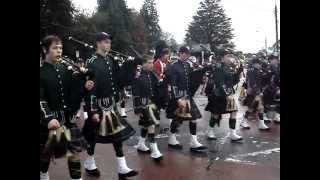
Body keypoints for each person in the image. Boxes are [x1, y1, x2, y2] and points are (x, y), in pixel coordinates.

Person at [82, 32, 138, 178]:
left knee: (117, 137)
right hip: (98, 106)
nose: (108, 44)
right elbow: (90, 88)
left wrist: (129, 66)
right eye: (105, 42)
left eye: (109, 42)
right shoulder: (91, 61)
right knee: (93, 137)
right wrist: (92, 110)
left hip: (111, 105)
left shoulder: (111, 60)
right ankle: (89, 163)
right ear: (98, 43)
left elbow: (119, 81)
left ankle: (122, 167)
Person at [40, 35, 91, 180]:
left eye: (60, 48)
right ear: (45, 50)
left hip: (67, 120)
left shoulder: (65, 69)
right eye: (55, 48)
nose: (59, 51)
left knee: (74, 152)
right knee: (45, 155)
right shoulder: (41, 72)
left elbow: (72, 92)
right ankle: (43, 175)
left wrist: (84, 84)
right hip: (49, 123)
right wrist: (48, 118)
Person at [166, 46, 207, 152]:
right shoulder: (174, 66)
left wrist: (200, 71)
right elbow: (173, 84)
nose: (188, 56)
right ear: (181, 53)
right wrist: (178, 98)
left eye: (188, 54)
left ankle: (193, 142)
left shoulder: (188, 65)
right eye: (186, 54)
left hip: (187, 96)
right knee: (177, 119)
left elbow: (191, 79)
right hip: (179, 96)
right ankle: (172, 139)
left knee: (193, 118)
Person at [204, 53, 244, 141]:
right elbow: (220, 83)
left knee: (234, 112)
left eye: (231, 56)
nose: (231, 58)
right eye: (228, 56)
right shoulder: (219, 68)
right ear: (222, 59)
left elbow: (232, 82)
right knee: (215, 115)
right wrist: (227, 94)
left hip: (229, 94)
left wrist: (238, 72)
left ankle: (233, 133)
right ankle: (210, 131)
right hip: (219, 95)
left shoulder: (229, 68)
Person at [132, 54, 164, 161]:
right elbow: (135, 93)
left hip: (151, 104)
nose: (151, 64)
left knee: (146, 126)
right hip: (143, 105)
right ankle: (155, 151)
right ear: (143, 64)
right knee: (151, 126)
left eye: (152, 62)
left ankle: (141, 144)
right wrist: (137, 108)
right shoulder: (138, 76)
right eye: (149, 62)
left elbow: (156, 87)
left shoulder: (151, 74)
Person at [240, 58, 270, 130]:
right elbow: (253, 83)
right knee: (251, 108)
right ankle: (244, 121)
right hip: (253, 93)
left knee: (260, 108)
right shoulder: (252, 71)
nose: (260, 65)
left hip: (256, 92)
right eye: (259, 64)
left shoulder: (258, 70)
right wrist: (258, 92)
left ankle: (261, 124)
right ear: (255, 64)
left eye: (260, 64)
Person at [262, 54, 280, 123]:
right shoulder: (269, 67)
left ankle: (276, 116)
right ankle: (265, 116)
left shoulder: (276, 67)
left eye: (277, 59)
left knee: (275, 102)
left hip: (274, 88)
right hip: (270, 88)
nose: (277, 60)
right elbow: (266, 79)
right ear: (271, 60)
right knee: (267, 102)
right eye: (275, 59)